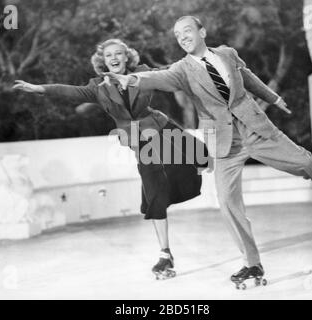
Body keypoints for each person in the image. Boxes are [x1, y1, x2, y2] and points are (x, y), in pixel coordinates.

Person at [102, 16, 312, 287]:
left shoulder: (228, 53)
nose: (181, 37)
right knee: (228, 202)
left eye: (187, 31)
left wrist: (273, 97)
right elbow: (157, 77)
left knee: (300, 160)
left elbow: (248, 77)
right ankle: (252, 264)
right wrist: (131, 79)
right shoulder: (182, 69)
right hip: (223, 142)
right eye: (177, 34)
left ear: (202, 31)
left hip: (254, 127)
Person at [13, 38, 209, 280]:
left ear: (127, 57)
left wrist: (198, 64)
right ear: (103, 61)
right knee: (154, 194)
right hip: (141, 141)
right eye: (109, 56)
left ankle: (204, 170)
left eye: (119, 54)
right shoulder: (98, 87)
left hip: (162, 127)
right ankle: (165, 253)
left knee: (201, 155)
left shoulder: (143, 74)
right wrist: (39, 88)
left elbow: (171, 73)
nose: (114, 58)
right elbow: (69, 92)